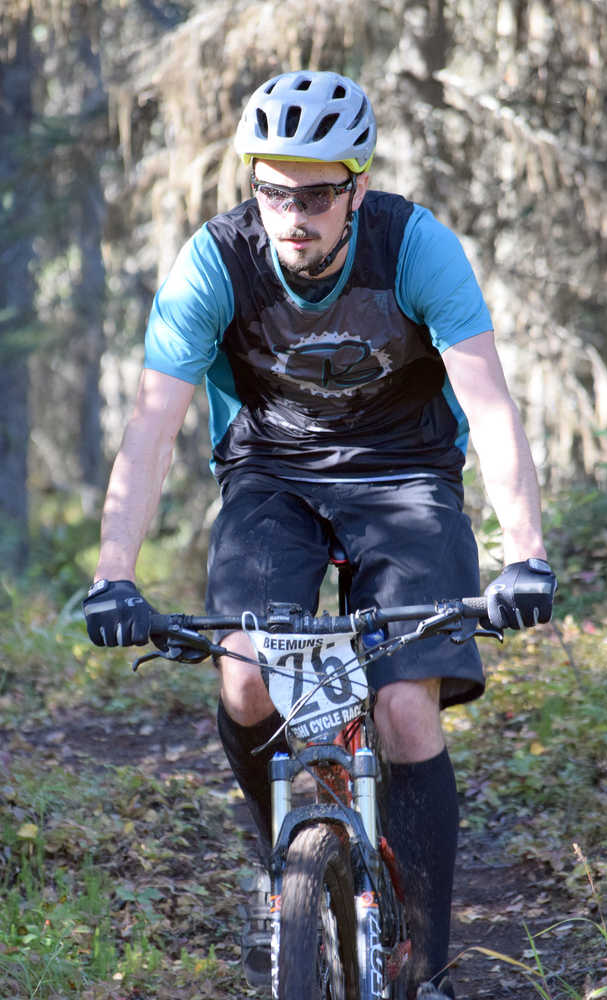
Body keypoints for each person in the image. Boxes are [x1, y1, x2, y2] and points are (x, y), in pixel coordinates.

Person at [83, 70, 557, 998]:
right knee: (249, 672)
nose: (291, 214)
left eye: (316, 192)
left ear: (357, 188)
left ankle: (426, 953)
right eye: (272, 189)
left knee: (404, 707)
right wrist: (114, 573)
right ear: (250, 182)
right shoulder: (215, 262)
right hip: (272, 478)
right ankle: (283, 858)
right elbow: (152, 423)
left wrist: (525, 553)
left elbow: (491, 406)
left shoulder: (415, 248)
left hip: (407, 475)